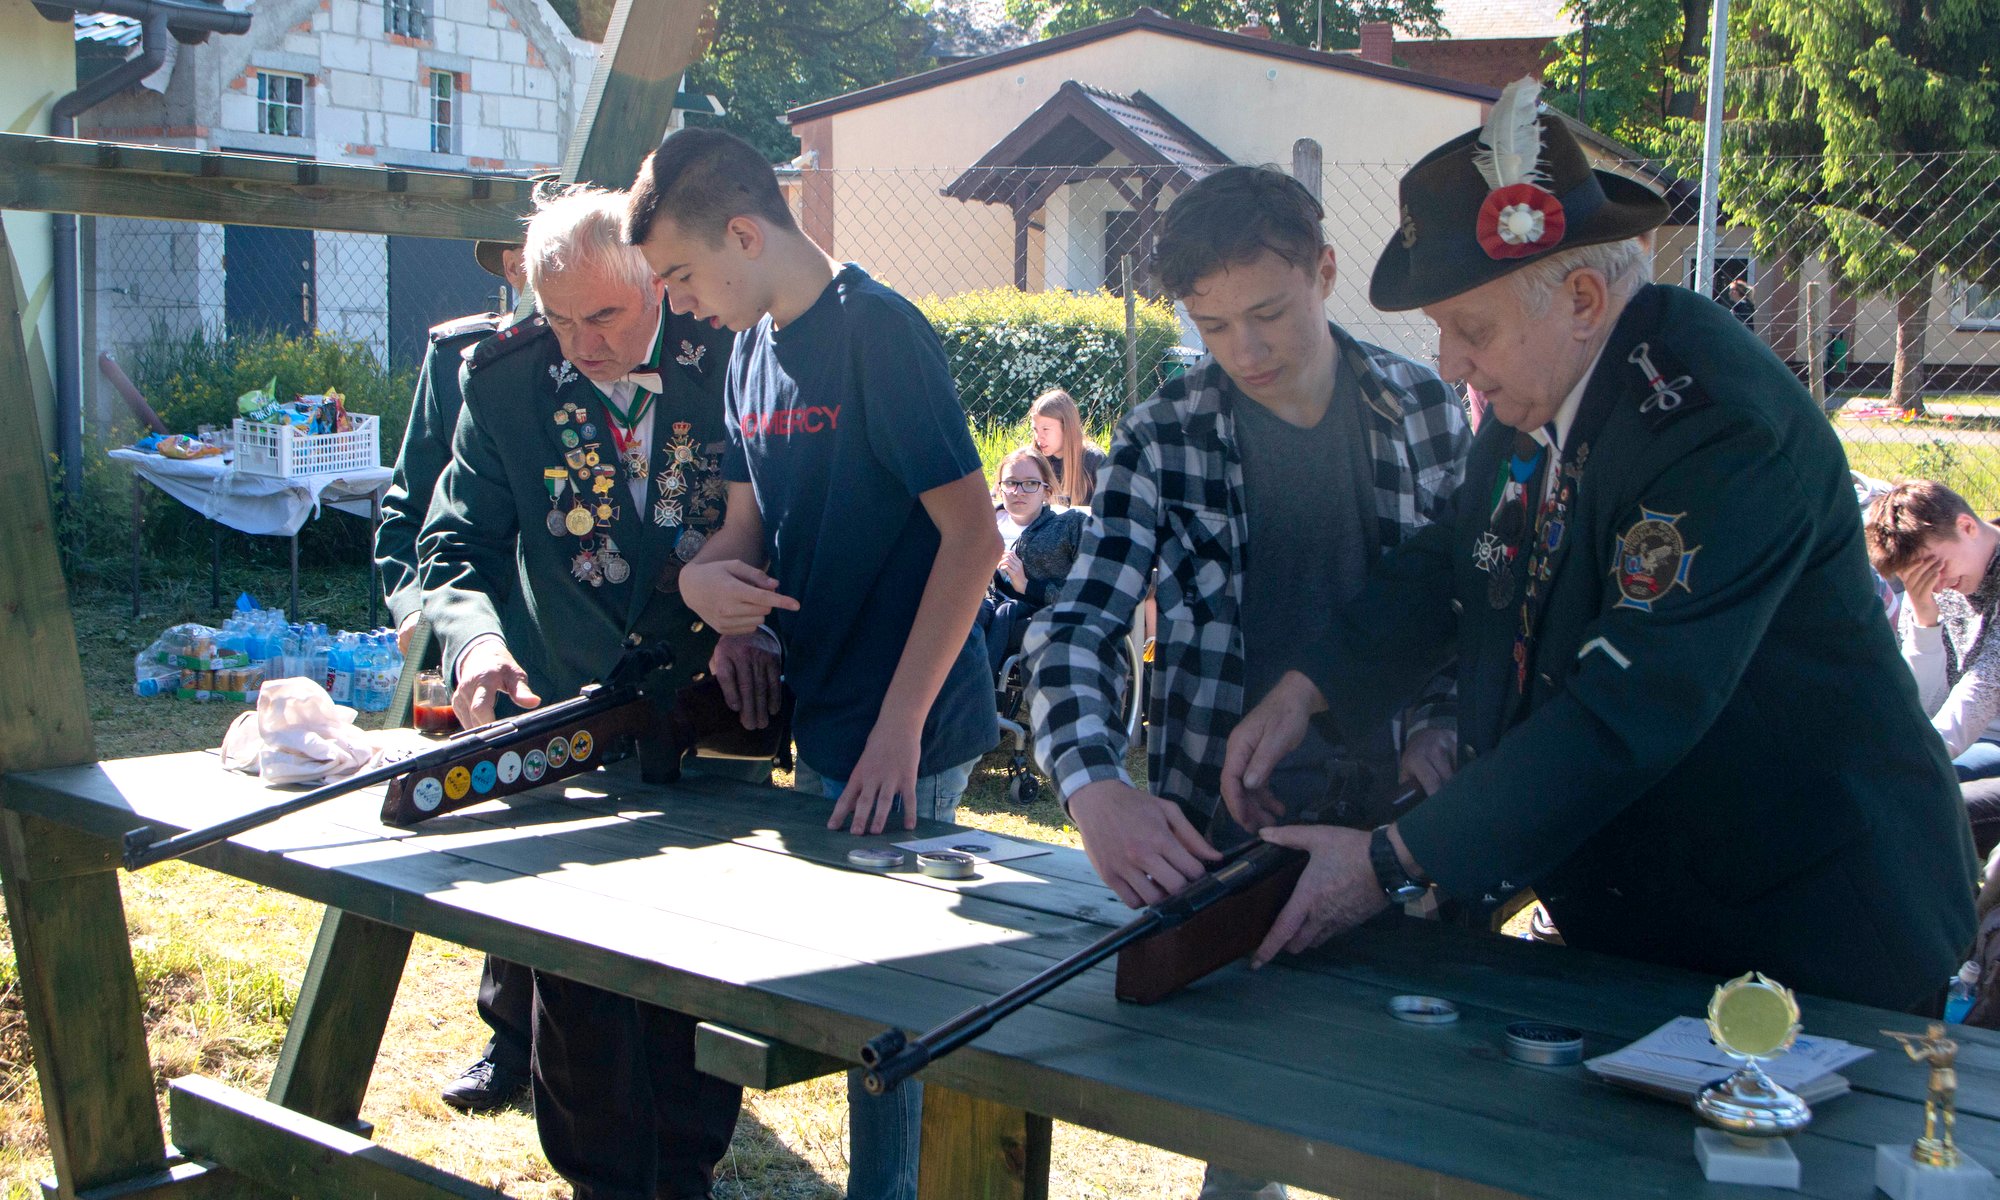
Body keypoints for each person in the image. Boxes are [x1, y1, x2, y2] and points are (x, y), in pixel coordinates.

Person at [1221, 77, 1975, 1015]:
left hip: (1811, 928)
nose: (1449, 363)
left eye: (1470, 330)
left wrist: (1391, 861)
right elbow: (1456, 557)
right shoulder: (1547, 388)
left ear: (1580, 297)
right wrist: (1310, 687)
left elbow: (1626, 709)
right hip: (1661, 913)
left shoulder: (1717, 430)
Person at [1022, 163, 1468, 1200]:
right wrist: (1092, 787)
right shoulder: (1162, 434)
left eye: (1267, 315)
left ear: (1325, 271)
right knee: (1244, 1145)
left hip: (1404, 844)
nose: (1246, 352)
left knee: (1421, 1138)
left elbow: (1467, 616)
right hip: (1228, 851)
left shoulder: (1425, 410)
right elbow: (1076, 627)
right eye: (1212, 325)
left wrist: (1440, 728)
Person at [625, 126, 999, 1200]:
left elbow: (975, 541)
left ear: (744, 235)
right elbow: (743, 534)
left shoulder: (880, 333)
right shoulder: (746, 352)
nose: (676, 304)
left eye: (680, 275)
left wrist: (900, 728)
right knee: (859, 999)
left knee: (892, 1014)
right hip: (825, 712)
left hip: (910, 724)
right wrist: (709, 597)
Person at [421, 184, 764, 1200]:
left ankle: (688, 1171)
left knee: (694, 966)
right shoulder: (506, 383)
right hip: (566, 719)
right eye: (559, 320)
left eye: (603, 316)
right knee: (575, 982)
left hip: (709, 717)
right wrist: (477, 646)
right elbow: (454, 545)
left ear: (655, 283)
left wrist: (758, 626)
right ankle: (600, 1182)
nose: (581, 345)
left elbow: (795, 517)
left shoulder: (733, 354)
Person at [374, 235, 538, 1113]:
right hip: (473, 632)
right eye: (524, 257)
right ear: (512, 266)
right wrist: (420, 615)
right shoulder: (464, 357)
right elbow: (411, 513)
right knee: (506, 832)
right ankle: (510, 1037)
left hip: (560, 633)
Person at [1864, 480, 2000, 788]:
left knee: (1920, 789)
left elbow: (1985, 687)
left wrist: (1911, 759)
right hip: (1967, 737)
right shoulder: (1934, 585)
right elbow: (1925, 704)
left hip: (1982, 737)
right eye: (1918, 575)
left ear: (1967, 527)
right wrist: (1925, 619)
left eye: (1936, 568)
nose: (1936, 586)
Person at [982, 447, 1084, 675]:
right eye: (1011, 483)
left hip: (1040, 614)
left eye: (1030, 483)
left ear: (1047, 491)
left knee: (1003, 613)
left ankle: (982, 691)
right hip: (987, 606)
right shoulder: (982, 525)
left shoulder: (1067, 526)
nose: (1019, 491)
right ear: (999, 488)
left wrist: (1028, 586)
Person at [1028, 387, 1108, 507]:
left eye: (1045, 429)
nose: (1039, 437)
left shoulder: (1094, 461)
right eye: (1035, 430)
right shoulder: (1032, 461)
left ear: (1066, 428)